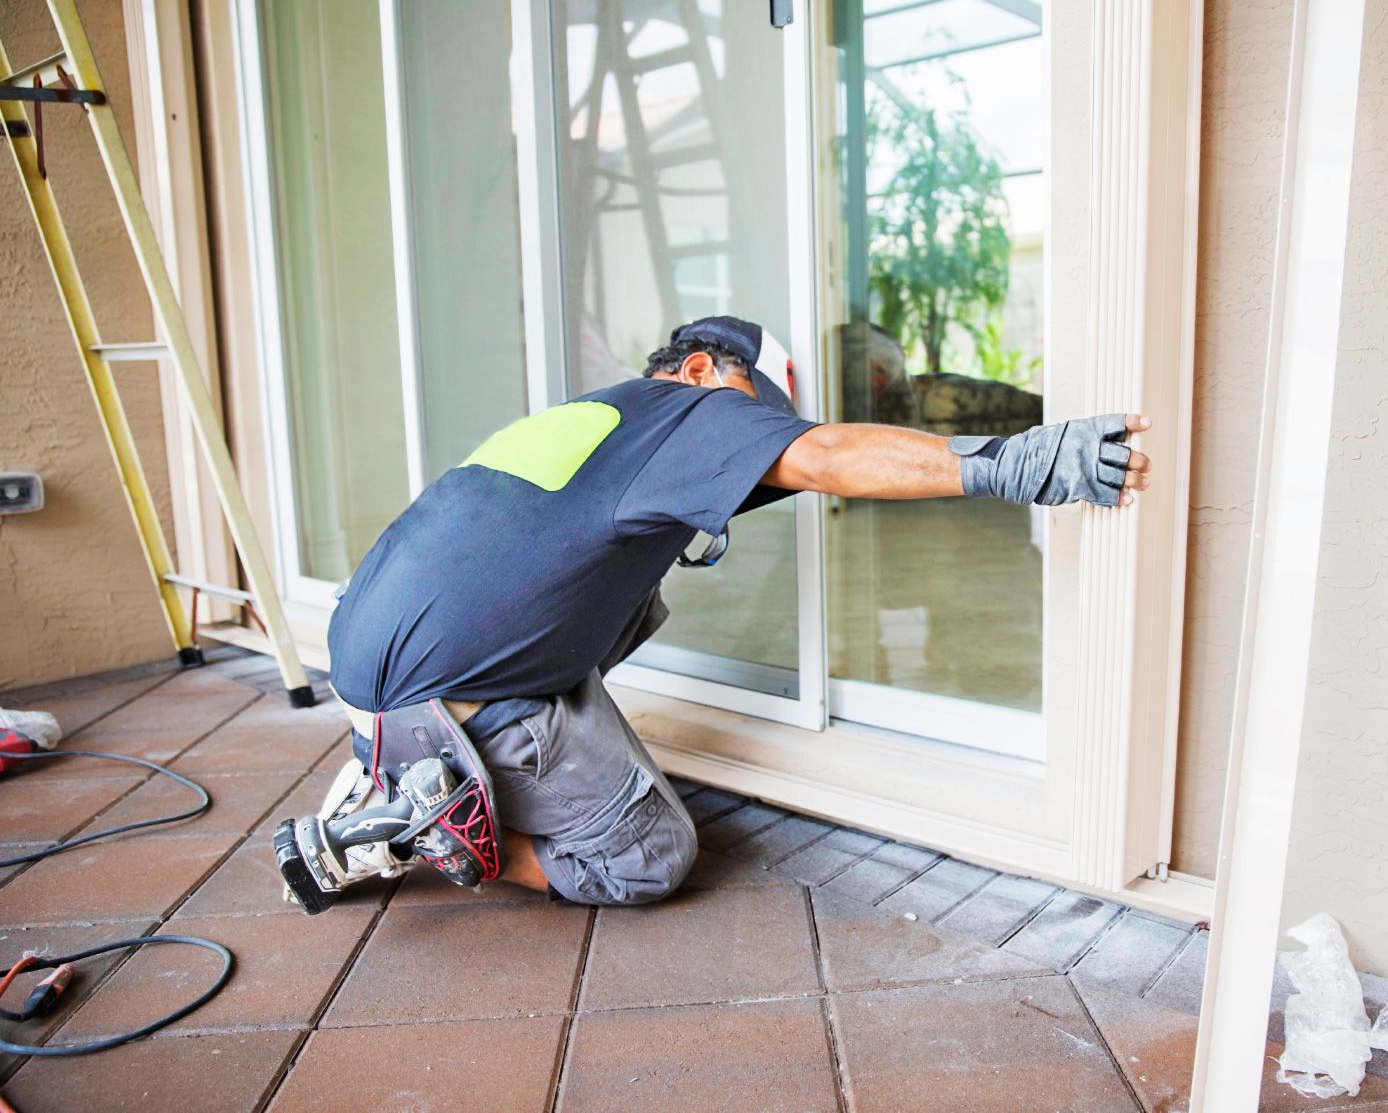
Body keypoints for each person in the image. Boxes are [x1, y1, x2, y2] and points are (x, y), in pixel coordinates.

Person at [292, 315, 1152, 908]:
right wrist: (1017, 461)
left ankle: (401, 769)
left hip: (365, 674)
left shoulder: (596, 421)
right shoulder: (690, 410)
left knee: (631, 597)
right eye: (754, 411)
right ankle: (418, 826)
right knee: (648, 855)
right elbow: (827, 453)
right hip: (447, 694)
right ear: (702, 371)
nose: (754, 438)